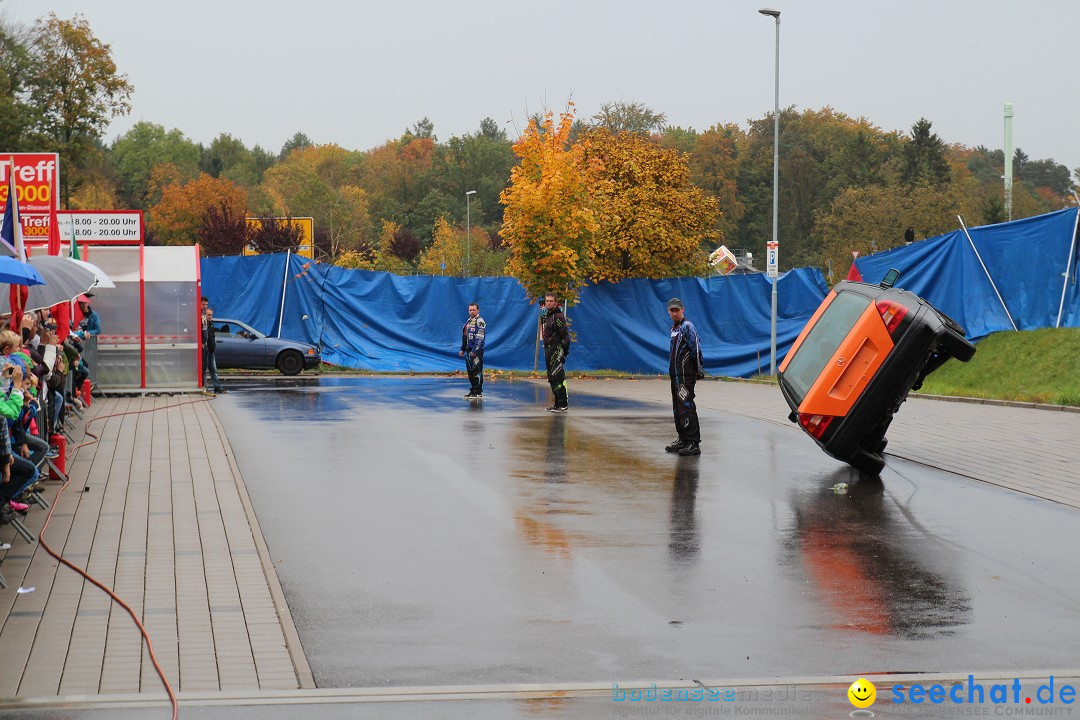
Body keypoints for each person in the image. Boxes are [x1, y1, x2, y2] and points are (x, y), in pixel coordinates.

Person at [665, 298, 704, 456]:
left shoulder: (687, 327)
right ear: (669, 312)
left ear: (683, 310)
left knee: (686, 406)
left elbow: (695, 349)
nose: (674, 313)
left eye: (677, 310)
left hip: (685, 376)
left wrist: (698, 369)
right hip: (675, 376)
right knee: (677, 408)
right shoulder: (674, 328)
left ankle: (694, 443)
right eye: (672, 311)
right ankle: (683, 438)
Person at [541, 293, 570, 412]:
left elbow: (565, 336)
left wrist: (564, 352)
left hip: (556, 350)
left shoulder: (558, 316)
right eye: (547, 301)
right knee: (552, 377)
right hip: (549, 350)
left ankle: (563, 404)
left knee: (557, 376)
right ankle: (557, 404)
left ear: (556, 302)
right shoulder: (547, 316)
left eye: (551, 301)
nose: (549, 303)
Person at [459, 302, 486, 399]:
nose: (472, 312)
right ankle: (473, 390)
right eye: (470, 310)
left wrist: (475, 350)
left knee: (476, 371)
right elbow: (465, 337)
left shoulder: (480, 321)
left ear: (478, 310)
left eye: (474, 310)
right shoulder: (468, 322)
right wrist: (462, 349)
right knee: (470, 372)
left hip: (476, 351)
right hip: (468, 351)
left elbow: (480, 337)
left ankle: (478, 392)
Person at [202, 306, 225, 394]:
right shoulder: (204, 325)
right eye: (208, 315)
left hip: (211, 351)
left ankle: (217, 387)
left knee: (213, 369)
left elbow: (212, 337)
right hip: (205, 350)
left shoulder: (211, 324)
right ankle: (204, 387)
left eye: (211, 315)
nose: (210, 317)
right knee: (204, 370)